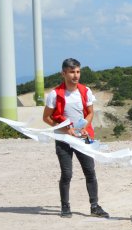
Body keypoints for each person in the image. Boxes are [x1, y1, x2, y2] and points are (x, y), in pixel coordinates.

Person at [41, 58, 109, 219]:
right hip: (64, 139)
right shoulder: (54, 94)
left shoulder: (85, 91)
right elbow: (46, 118)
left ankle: (94, 206)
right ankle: (65, 206)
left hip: (83, 138)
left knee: (90, 172)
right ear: (63, 73)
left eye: (78, 71)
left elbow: (90, 112)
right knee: (67, 173)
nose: (75, 75)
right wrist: (65, 128)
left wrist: (85, 127)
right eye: (72, 72)